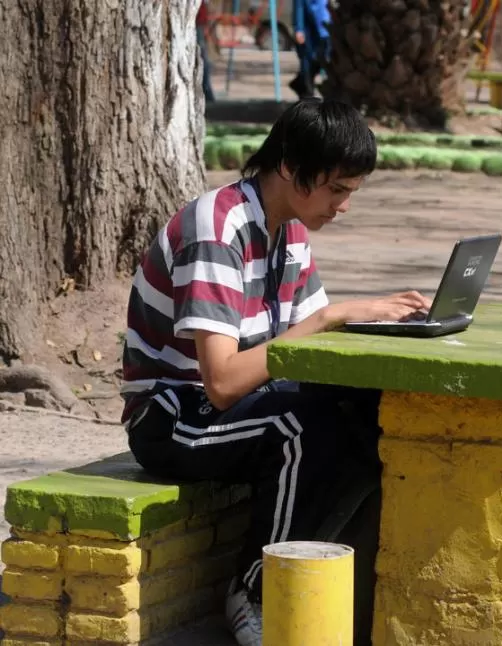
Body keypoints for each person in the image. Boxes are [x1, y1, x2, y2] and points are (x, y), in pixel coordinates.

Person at [120, 99, 431, 646]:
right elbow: (220, 384)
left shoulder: (289, 231)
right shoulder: (217, 228)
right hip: (172, 414)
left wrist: (391, 331)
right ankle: (254, 591)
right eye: (337, 190)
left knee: (368, 415)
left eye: (351, 192)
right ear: (290, 167)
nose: (344, 207)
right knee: (304, 428)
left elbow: (308, 348)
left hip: (238, 403)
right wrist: (335, 314)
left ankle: (339, 587)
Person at [290, 0, 332, 99]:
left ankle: (300, 84)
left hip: (328, 31)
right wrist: (298, 29)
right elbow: (299, 8)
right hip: (310, 31)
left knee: (324, 61)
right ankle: (307, 94)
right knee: (308, 63)